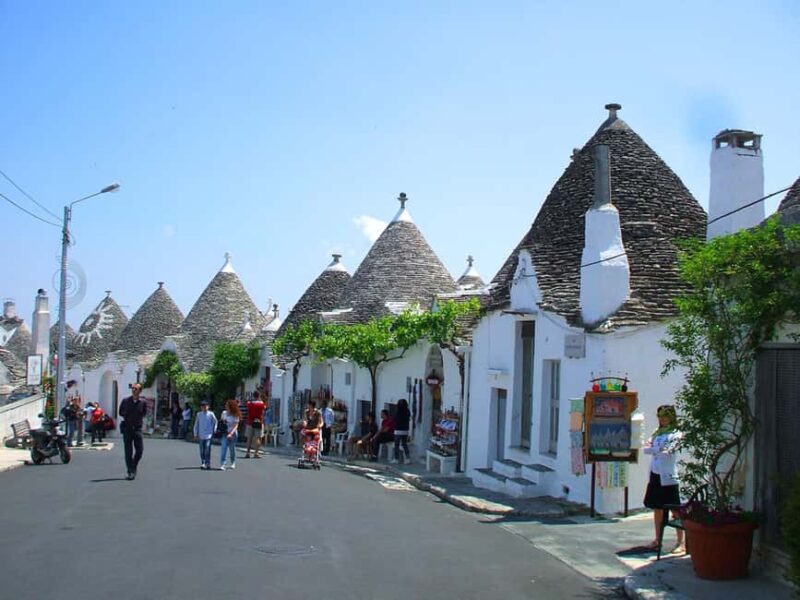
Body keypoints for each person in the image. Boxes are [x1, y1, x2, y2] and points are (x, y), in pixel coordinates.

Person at [643, 404, 685, 554]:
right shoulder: (657, 433)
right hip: (655, 473)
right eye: (660, 416)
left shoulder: (676, 433)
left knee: (674, 508)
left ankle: (681, 542)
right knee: (657, 508)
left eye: (665, 416)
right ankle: (657, 539)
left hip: (668, 475)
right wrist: (658, 449)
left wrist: (657, 449)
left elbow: (669, 451)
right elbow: (646, 448)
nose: (662, 419)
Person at [119, 383, 148, 480]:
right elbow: (120, 412)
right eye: (133, 388)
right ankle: (130, 471)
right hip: (127, 428)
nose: (134, 390)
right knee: (128, 451)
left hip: (137, 429)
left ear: (140, 391)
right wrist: (127, 415)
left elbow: (144, 413)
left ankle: (133, 466)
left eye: (136, 389)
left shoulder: (143, 402)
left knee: (139, 450)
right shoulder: (126, 401)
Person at [193, 400, 217, 470]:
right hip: (201, 434)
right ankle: (203, 462)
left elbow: (215, 422)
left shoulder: (211, 414)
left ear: (208, 407)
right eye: (202, 406)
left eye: (205, 406)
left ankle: (208, 463)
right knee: (202, 449)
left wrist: (214, 429)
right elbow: (196, 424)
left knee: (207, 448)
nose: (204, 407)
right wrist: (195, 433)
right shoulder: (199, 414)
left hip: (209, 434)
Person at [219, 399, 241, 471]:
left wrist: (231, 434)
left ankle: (233, 462)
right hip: (225, 433)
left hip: (233, 434)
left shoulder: (235, 415)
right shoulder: (224, 413)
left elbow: (236, 426)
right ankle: (223, 464)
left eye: (227, 405)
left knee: (232, 449)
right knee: (224, 448)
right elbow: (222, 422)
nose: (225, 406)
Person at [245, 392, 265, 459]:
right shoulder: (261, 404)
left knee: (249, 438)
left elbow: (247, 406)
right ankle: (256, 453)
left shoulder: (249, 403)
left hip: (250, 422)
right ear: (259, 396)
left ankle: (248, 452)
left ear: (253, 396)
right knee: (258, 438)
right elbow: (264, 409)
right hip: (259, 421)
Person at [391, 399, 411, 465]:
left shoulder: (398, 411)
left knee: (396, 445)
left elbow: (395, 419)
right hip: (405, 430)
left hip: (398, 430)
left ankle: (396, 459)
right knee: (404, 444)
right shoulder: (407, 411)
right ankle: (408, 459)